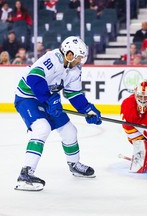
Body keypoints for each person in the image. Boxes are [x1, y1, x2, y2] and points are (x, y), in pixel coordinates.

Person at [14, 36, 102, 191]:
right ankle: (25, 174)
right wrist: (49, 99)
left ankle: (74, 164)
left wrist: (87, 109)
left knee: (70, 131)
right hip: (27, 98)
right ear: (69, 54)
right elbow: (34, 78)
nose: (80, 61)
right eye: (79, 58)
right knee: (42, 128)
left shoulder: (74, 69)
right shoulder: (52, 59)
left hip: (47, 99)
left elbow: (73, 93)